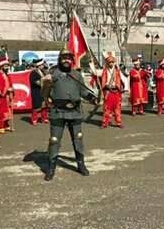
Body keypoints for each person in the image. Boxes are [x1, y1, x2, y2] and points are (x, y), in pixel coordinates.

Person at [41, 47, 98, 181]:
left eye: (68, 58)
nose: (66, 60)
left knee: (78, 138)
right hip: (58, 112)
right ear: (59, 60)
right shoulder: (53, 74)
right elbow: (43, 93)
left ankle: (81, 165)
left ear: (72, 60)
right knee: (54, 140)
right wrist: (45, 83)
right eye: (63, 58)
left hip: (75, 111)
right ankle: (51, 168)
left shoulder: (77, 75)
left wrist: (93, 98)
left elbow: (83, 91)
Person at [101, 53, 124, 128]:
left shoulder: (117, 71)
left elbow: (121, 79)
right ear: (107, 63)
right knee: (107, 108)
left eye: (112, 62)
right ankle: (105, 123)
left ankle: (118, 122)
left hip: (116, 91)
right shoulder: (104, 71)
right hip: (108, 91)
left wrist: (121, 87)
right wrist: (105, 86)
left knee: (117, 108)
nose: (111, 64)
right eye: (109, 62)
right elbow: (102, 80)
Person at [0, 57, 13, 132]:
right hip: (1, 96)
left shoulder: (7, 75)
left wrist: (11, 89)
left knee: (7, 111)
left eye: (7, 66)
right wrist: (5, 90)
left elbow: (10, 83)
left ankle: (5, 124)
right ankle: (0, 126)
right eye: (5, 66)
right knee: (1, 111)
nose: (7, 67)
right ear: (1, 66)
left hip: (7, 96)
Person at [30, 58, 48, 125]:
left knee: (44, 105)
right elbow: (35, 82)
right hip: (36, 91)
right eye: (42, 65)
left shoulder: (44, 72)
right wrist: (43, 81)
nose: (43, 66)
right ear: (39, 65)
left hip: (44, 91)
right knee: (36, 106)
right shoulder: (33, 73)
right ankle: (34, 119)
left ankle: (44, 118)